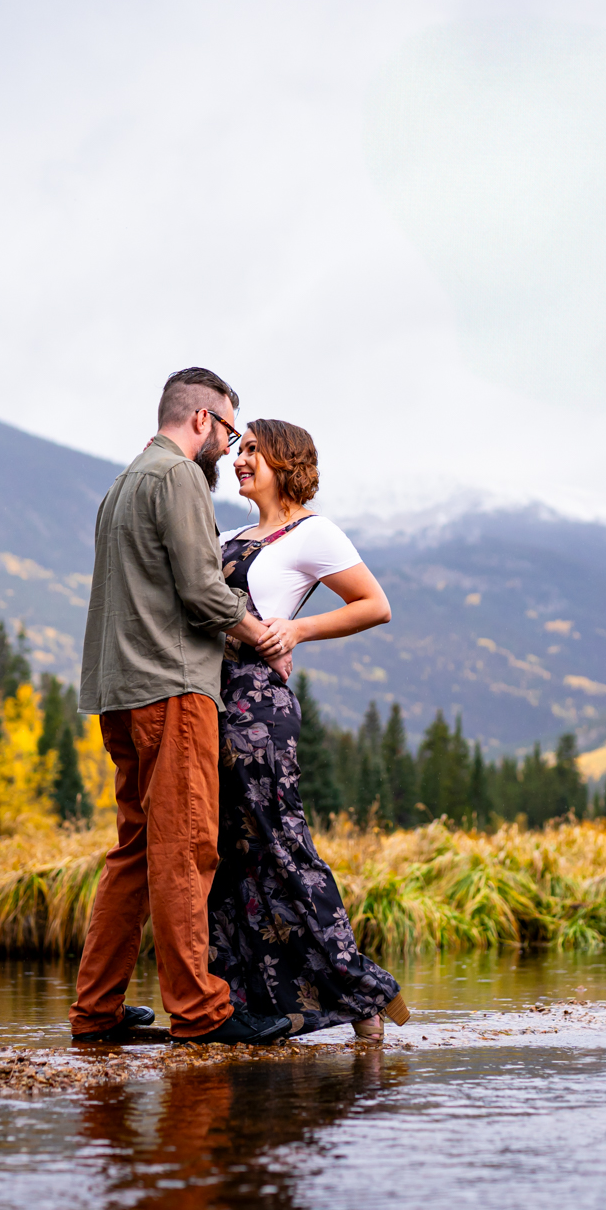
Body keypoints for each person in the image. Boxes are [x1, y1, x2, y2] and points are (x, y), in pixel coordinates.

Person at [68, 368, 294, 1046]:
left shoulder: (122, 486)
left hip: (120, 692)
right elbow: (201, 589)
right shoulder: (180, 479)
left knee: (135, 850)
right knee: (186, 847)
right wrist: (262, 635)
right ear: (202, 420)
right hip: (171, 689)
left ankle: (96, 1009)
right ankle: (201, 1010)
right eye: (228, 431)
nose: (229, 448)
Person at [209, 418, 411, 1039]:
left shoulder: (312, 532)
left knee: (280, 846)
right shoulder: (231, 534)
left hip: (259, 712)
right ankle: (250, 1006)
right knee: (228, 861)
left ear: (285, 461)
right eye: (239, 450)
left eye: (253, 452)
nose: (241, 460)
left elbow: (374, 605)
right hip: (212, 703)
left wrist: (296, 630)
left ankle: (363, 997)